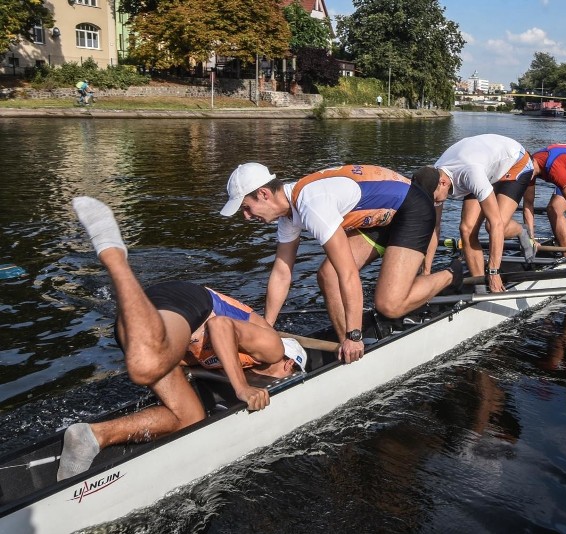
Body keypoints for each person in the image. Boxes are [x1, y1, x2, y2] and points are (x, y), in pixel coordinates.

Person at [58, 196, 305, 481]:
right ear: (288, 365)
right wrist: (240, 389)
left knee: (189, 418)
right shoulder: (273, 348)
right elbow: (222, 326)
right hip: (189, 302)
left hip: (153, 329)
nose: (280, 381)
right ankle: (114, 256)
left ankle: (92, 437)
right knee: (146, 367)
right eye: (291, 374)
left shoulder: (236, 362)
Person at [220, 163, 461, 364]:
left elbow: (348, 274)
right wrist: (267, 329)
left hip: (412, 208)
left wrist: (355, 334)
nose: (247, 216)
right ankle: (347, 348)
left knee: (389, 305)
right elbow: (282, 273)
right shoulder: (288, 216)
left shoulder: (312, 205)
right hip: (382, 215)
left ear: (264, 194)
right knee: (327, 275)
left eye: (247, 208)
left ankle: (452, 273)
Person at [411, 134, 537, 293]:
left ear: (443, 183)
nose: (435, 201)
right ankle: (480, 289)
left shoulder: (470, 174)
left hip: (515, 163)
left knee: (493, 225)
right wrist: (426, 272)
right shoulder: (432, 177)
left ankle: (520, 230)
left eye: (435, 198)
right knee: (466, 229)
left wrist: (494, 271)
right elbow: (434, 227)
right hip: (485, 164)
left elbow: (497, 223)